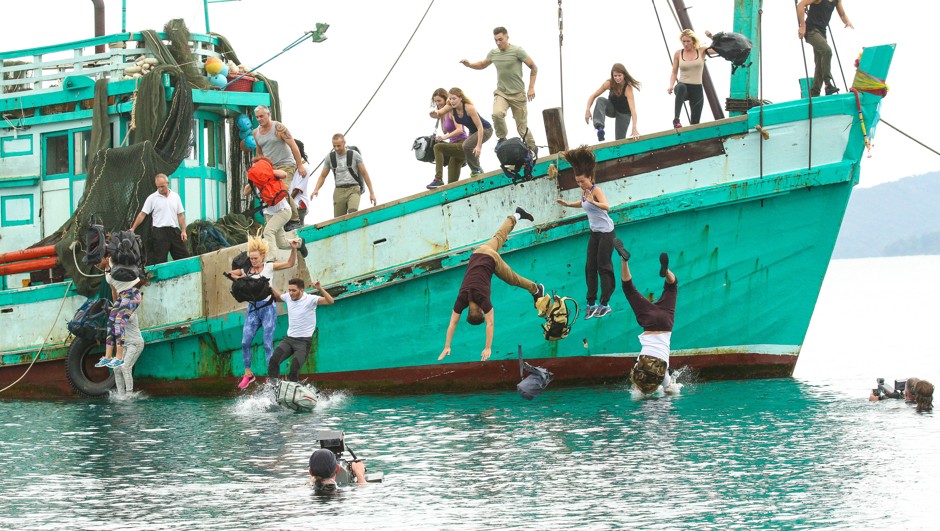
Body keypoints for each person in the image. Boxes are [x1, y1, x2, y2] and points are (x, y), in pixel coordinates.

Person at [438, 207, 545, 362]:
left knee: (512, 279)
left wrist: (487, 348)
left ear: (480, 310)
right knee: (499, 236)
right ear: (468, 310)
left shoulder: (483, 300)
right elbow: (453, 322)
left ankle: (535, 289)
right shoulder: (462, 299)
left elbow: (490, 324)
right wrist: (447, 345)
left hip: (491, 260)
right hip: (478, 253)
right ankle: (517, 215)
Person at [226, 236, 299, 389]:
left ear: (263, 257)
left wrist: (293, 248)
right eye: (251, 258)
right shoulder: (247, 269)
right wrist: (243, 277)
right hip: (253, 309)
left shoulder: (269, 267)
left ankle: (272, 378)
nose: (253, 261)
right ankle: (248, 374)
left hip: (268, 308)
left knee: (267, 344)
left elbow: (290, 263)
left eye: (256, 258)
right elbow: (230, 274)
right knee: (245, 342)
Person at [555, 146, 615, 319]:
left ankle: (605, 303)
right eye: (578, 181)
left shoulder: (596, 190)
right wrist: (567, 204)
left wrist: (593, 201)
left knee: (604, 267)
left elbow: (606, 207)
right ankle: (591, 303)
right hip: (595, 233)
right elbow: (583, 204)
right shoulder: (585, 192)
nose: (580, 184)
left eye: (582, 181)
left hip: (606, 233)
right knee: (590, 267)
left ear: (590, 177)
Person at [613, 238, 678, 395]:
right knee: (629, 289)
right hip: (649, 323)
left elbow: (672, 391)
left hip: (666, 322)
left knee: (672, 286)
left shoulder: (663, 376)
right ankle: (624, 260)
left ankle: (667, 271)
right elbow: (637, 389)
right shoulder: (639, 368)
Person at [460, 26, 538, 153]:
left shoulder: (517, 51)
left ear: (507, 37)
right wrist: (469, 65)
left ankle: (532, 148)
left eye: (500, 39)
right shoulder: (494, 53)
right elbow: (482, 64)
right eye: (495, 40)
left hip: (518, 95)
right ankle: (502, 137)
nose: (498, 43)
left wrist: (531, 88)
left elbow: (534, 67)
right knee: (497, 114)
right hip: (502, 92)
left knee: (522, 129)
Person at [268, 278, 334, 382]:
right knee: (273, 360)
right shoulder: (288, 297)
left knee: (294, 368)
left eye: (293, 290)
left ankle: (293, 389)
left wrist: (320, 288)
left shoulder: (311, 299)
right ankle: (273, 387)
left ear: (301, 290)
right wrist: (269, 287)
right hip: (288, 340)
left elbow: (330, 301)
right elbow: (277, 297)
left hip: (303, 342)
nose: (290, 293)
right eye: (289, 290)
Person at [243, 156, 308, 258]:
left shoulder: (272, 174)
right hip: (269, 214)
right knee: (281, 243)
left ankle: (271, 259)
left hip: (283, 211)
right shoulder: (256, 181)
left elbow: (284, 174)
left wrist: (268, 172)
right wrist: (253, 180)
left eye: (258, 165)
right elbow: (245, 193)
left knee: (268, 232)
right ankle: (300, 243)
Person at [253, 105, 306, 225]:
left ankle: (294, 219)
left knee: (282, 189)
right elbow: (259, 153)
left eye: (261, 116)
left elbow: (293, 146)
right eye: (257, 117)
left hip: (286, 164)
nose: (259, 119)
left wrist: (300, 165)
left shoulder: (278, 128)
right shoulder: (256, 133)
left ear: (268, 114)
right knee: (270, 192)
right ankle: (277, 220)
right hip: (271, 168)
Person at [94, 254, 146, 369]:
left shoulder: (114, 261)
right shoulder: (106, 272)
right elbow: (114, 290)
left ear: (106, 257)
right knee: (111, 321)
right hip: (122, 296)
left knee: (119, 322)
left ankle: (119, 357)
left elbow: (115, 252)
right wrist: (115, 307)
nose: (96, 264)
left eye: (98, 260)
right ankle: (107, 356)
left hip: (132, 294)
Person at [429, 88, 493, 177]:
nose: (452, 101)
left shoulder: (469, 108)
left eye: (454, 98)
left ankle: (475, 170)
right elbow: (439, 113)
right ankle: (478, 170)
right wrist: (433, 114)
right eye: (450, 99)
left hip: (485, 129)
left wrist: (478, 146)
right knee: (471, 150)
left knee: (466, 145)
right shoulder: (450, 106)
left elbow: (480, 127)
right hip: (472, 131)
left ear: (460, 98)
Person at [311, 134, 377, 218]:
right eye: (334, 146)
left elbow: (364, 173)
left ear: (344, 143)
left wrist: (372, 193)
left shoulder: (354, 155)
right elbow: (323, 176)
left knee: (353, 212)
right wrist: (316, 189)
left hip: (353, 189)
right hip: (339, 190)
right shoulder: (329, 157)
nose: (336, 148)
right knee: (339, 219)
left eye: (339, 146)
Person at [796, 0, 853, 97]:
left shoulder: (837, 1)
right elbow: (801, 5)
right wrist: (802, 26)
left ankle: (814, 93)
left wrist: (847, 21)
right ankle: (828, 83)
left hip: (822, 33)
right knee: (827, 52)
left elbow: (842, 15)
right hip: (811, 31)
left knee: (820, 63)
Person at [129, 173, 189, 265]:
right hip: (159, 233)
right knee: (160, 260)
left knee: (184, 257)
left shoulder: (175, 196)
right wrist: (133, 228)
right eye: (158, 187)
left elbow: (180, 215)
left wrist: (183, 230)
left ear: (168, 183)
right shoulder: (152, 198)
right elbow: (142, 214)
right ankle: (162, 279)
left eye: (162, 186)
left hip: (174, 231)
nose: (160, 189)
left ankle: (185, 275)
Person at [668, 29, 715, 129]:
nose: (685, 44)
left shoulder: (701, 50)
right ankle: (676, 120)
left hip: (696, 88)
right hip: (683, 86)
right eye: (683, 41)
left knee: (695, 123)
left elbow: (717, 49)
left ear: (693, 41)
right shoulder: (678, 54)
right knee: (681, 88)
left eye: (688, 41)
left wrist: (712, 37)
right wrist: (671, 86)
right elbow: (674, 72)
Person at [585, 63, 641, 141]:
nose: (617, 78)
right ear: (612, 75)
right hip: (612, 109)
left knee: (619, 140)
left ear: (624, 75)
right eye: (615, 76)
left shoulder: (627, 88)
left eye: (619, 75)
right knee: (600, 100)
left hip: (624, 114)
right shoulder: (609, 83)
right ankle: (600, 128)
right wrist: (587, 110)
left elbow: (633, 110)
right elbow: (593, 95)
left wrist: (634, 127)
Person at [426, 88, 468, 189]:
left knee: (438, 147)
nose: (438, 103)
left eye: (439, 101)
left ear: (446, 99)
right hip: (454, 148)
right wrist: (439, 115)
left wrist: (443, 138)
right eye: (436, 101)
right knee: (451, 185)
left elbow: (460, 130)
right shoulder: (444, 114)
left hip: (463, 144)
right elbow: (445, 130)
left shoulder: (453, 111)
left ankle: (438, 179)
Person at [113, 308, 144, 395]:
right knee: (116, 368)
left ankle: (129, 395)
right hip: (125, 345)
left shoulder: (132, 310)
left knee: (125, 367)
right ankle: (121, 395)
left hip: (135, 344)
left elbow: (127, 317)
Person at [870, 377, 934, 412]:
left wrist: (875, 396)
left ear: (906, 393)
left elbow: (873, 400)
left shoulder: (901, 409)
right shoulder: (929, 407)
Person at [289, 140, 311, 225]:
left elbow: (297, 189)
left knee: (297, 231)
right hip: (290, 204)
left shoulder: (305, 167)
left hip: (298, 205)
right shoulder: (290, 165)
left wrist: (286, 203)